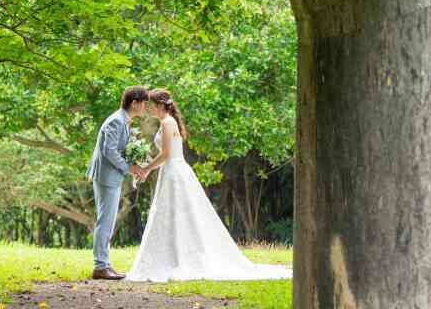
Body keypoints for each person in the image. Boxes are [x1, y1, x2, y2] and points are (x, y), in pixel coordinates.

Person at [125, 88, 292, 282]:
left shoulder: (168, 122)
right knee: (171, 213)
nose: (150, 109)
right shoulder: (167, 122)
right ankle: (171, 254)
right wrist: (149, 168)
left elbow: (166, 154)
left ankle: (182, 256)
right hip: (170, 172)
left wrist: (146, 169)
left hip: (174, 172)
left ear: (160, 105)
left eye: (152, 105)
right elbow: (166, 157)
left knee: (180, 213)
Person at [86, 85, 148, 280]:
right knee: (105, 221)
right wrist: (129, 168)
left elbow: (118, 150)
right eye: (143, 102)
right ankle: (100, 266)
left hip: (111, 176)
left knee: (108, 221)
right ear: (134, 103)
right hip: (106, 177)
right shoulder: (116, 121)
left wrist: (133, 162)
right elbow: (109, 151)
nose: (145, 106)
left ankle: (104, 264)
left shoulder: (123, 120)